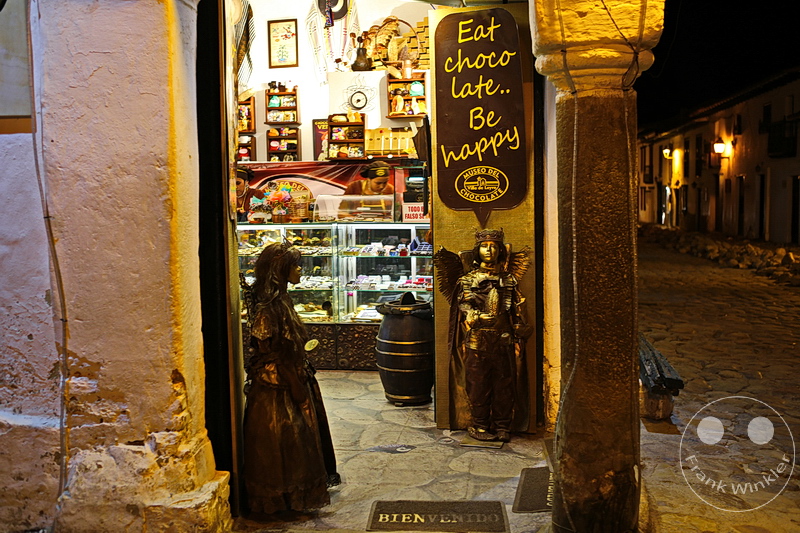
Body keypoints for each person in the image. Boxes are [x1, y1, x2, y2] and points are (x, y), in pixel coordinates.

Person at [241, 241, 339, 515]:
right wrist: (295, 384)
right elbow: (271, 352)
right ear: (280, 270)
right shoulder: (268, 308)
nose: (299, 271)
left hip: (291, 374)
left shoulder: (282, 300)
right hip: (278, 385)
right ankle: (283, 497)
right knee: (284, 438)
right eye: (295, 266)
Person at [434, 229, 531, 443]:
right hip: (478, 340)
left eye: (494, 246)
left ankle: (503, 425)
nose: (490, 250)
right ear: (477, 251)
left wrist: (520, 326)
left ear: (500, 251)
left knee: (504, 385)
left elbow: (516, 307)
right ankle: (479, 425)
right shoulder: (468, 280)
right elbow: (464, 307)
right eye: (485, 246)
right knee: (478, 385)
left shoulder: (509, 280)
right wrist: (476, 316)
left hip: (503, 338)